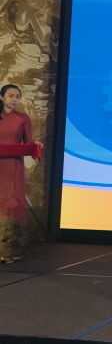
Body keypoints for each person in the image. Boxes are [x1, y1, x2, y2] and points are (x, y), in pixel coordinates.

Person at [0, 84, 39, 263]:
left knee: (11, 204)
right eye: (11, 95)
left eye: (17, 96)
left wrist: (35, 145)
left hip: (13, 167)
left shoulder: (23, 118)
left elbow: (28, 142)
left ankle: (9, 251)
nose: (14, 99)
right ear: (2, 97)